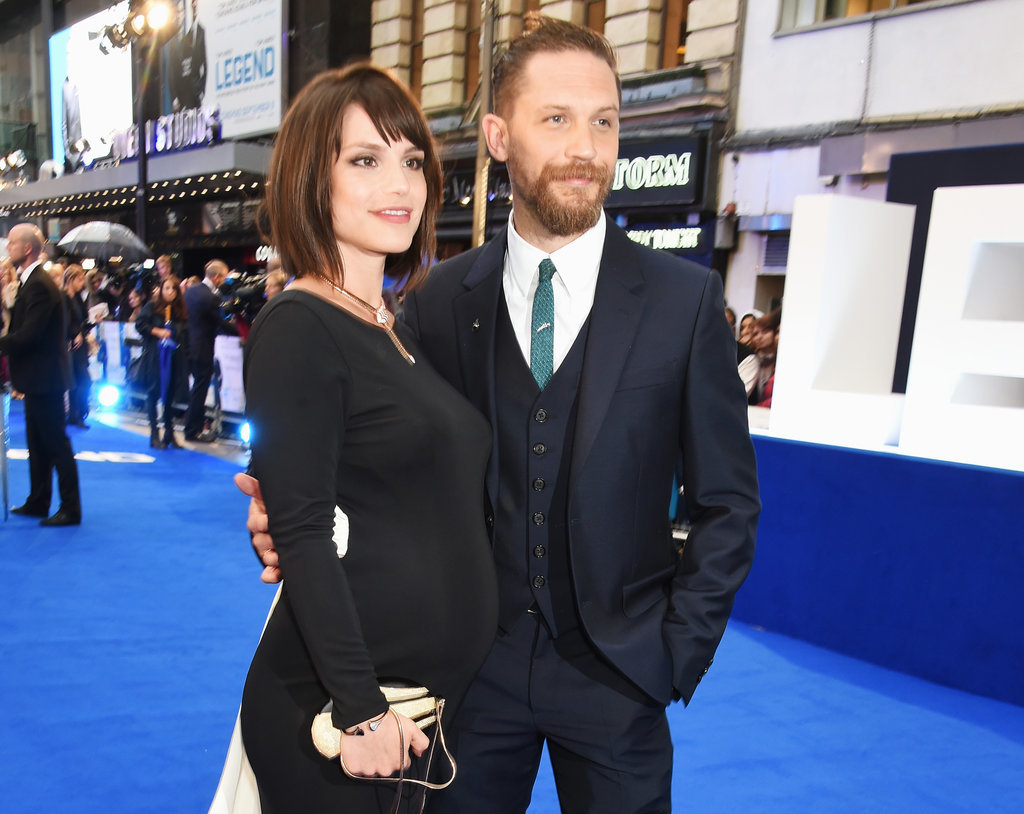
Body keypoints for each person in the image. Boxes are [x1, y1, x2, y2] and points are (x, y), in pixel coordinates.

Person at [245, 16, 760, 814]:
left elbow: (728, 504)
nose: (585, 146)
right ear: (497, 135)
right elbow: (368, 459)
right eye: (555, 119)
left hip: (620, 679)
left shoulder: (683, 301)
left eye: (604, 121)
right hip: (468, 684)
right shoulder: (440, 303)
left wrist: (674, 652)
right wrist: (293, 519)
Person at [227, 63, 498, 813]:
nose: (400, 184)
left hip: (415, 713)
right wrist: (359, 708)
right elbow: (306, 530)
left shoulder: (391, 329)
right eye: (366, 160)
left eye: (412, 160)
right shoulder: (300, 325)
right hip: (341, 720)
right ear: (313, 177)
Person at [0, 223, 82, 526]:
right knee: (37, 443)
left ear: (28, 248)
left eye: (12, 243)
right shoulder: (31, 281)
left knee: (55, 443)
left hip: (46, 378)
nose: (8, 249)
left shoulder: (38, 284)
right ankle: (38, 500)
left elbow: (29, 334)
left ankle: (70, 508)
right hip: (38, 378)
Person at [137, 274, 189, 449]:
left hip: (174, 358)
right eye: (167, 288)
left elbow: (185, 332)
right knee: (154, 393)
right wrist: (156, 331)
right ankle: (154, 434)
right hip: (156, 358)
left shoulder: (180, 310)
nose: (170, 292)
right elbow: (140, 324)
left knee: (170, 396)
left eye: (174, 289)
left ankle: (169, 432)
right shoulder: (152, 306)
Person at [183, 259, 226, 442]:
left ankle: (192, 428)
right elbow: (220, 323)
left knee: (197, 390)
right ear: (216, 277)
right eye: (223, 277)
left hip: (191, 346)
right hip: (203, 348)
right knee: (199, 391)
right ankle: (193, 431)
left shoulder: (191, 291)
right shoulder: (210, 297)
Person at [62, 264, 92, 428]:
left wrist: (91, 323)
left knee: (81, 381)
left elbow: (83, 320)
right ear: (71, 279)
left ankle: (76, 414)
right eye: (80, 280)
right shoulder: (63, 297)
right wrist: (75, 333)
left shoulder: (79, 298)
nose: (82, 284)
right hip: (70, 346)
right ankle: (76, 414)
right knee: (80, 380)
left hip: (80, 346)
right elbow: (66, 322)